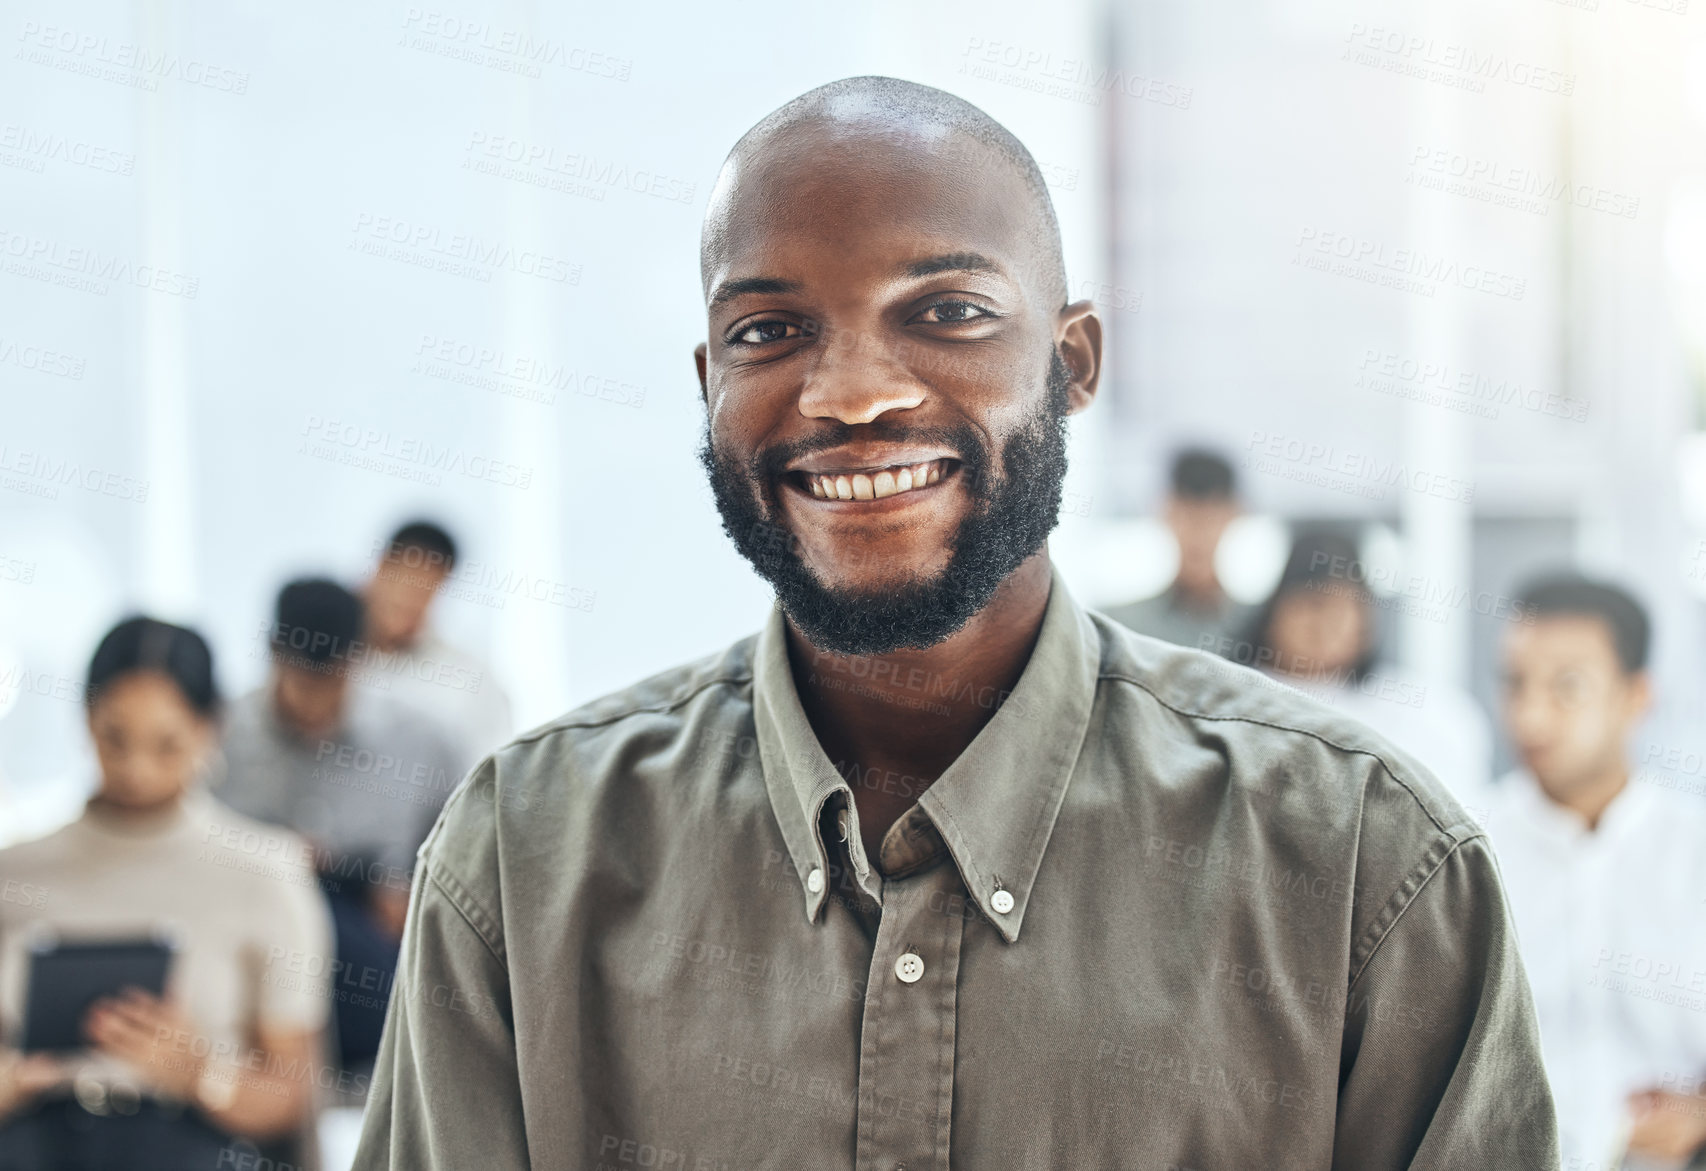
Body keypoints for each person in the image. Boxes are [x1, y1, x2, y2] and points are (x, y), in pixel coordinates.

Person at [354, 77, 1556, 1169]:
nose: (851, 391)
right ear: (709, 382)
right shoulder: (524, 856)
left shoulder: (1361, 866)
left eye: (947, 311)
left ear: (1071, 361)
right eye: (767, 331)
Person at [0, 617, 333, 1170]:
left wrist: (199, 1073)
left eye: (167, 744)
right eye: (114, 737)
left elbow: (292, 1094)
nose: (136, 769)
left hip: (190, 1140)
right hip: (33, 1140)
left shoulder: (266, 872)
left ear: (212, 729)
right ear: (84, 718)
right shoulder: (16, 870)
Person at [1476, 575, 1706, 1168]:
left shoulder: (1692, 851)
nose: (1530, 716)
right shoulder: (1462, 851)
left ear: (1636, 696)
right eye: (1515, 684)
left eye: (1567, 687)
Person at [219, 578, 462, 1075]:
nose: (313, 706)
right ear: (272, 656)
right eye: (302, 682)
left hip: (372, 948)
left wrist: (411, 897)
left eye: (331, 683)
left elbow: (466, 866)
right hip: (252, 950)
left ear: (360, 660)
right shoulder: (219, 738)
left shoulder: (421, 742)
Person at [1223, 530, 1494, 796]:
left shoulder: (1412, 708)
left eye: (1346, 606)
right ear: (1273, 613)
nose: (1328, 624)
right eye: (1314, 604)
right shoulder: (1233, 696)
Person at [356, 521, 513, 774]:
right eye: (406, 583)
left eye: (427, 589)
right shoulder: (323, 661)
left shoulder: (468, 679)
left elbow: (492, 774)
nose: (411, 602)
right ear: (381, 568)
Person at [1105, 447, 1253, 649]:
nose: (1198, 532)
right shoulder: (1122, 628)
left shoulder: (1262, 626)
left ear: (1234, 513)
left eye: (1211, 517)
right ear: (1166, 510)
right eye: (1187, 515)